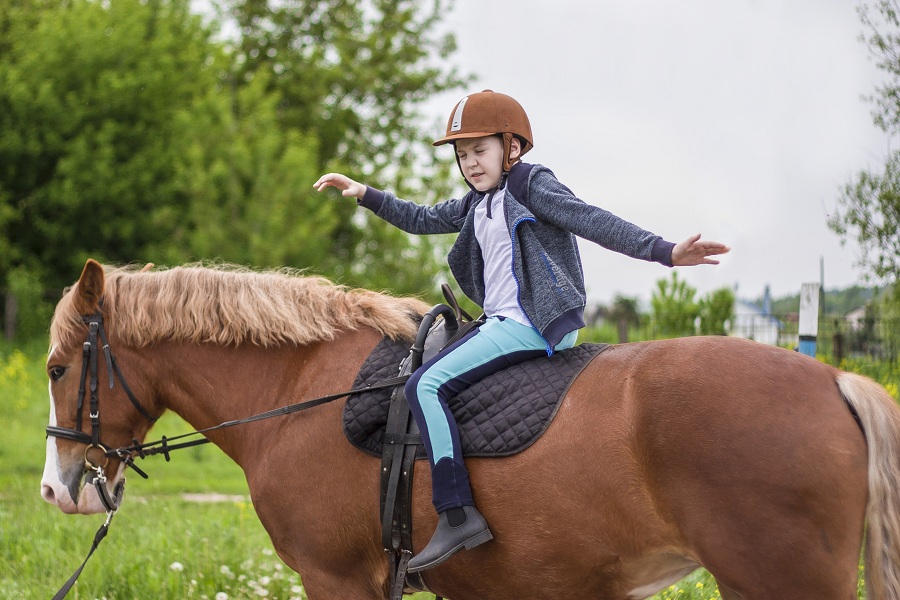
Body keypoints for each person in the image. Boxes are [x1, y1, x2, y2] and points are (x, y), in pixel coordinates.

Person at [314, 90, 729, 572]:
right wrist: (366, 194)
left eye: (480, 151)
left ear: (511, 148)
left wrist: (665, 250)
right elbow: (422, 219)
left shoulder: (530, 186)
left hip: (532, 323)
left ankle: (455, 512)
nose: (470, 163)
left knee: (423, 384)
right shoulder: (477, 203)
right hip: (502, 321)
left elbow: (593, 221)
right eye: (462, 155)